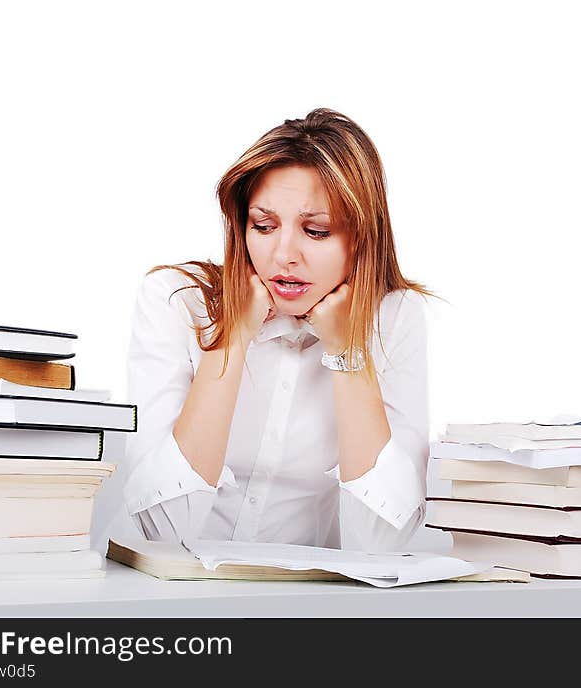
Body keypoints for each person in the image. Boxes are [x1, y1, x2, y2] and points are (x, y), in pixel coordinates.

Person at [119, 108, 433, 552]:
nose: (284, 254)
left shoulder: (395, 318)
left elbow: (382, 544)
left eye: (316, 231)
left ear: (362, 236)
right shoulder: (174, 300)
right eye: (263, 226)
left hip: (304, 608)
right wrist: (232, 338)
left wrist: (347, 352)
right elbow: (165, 534)